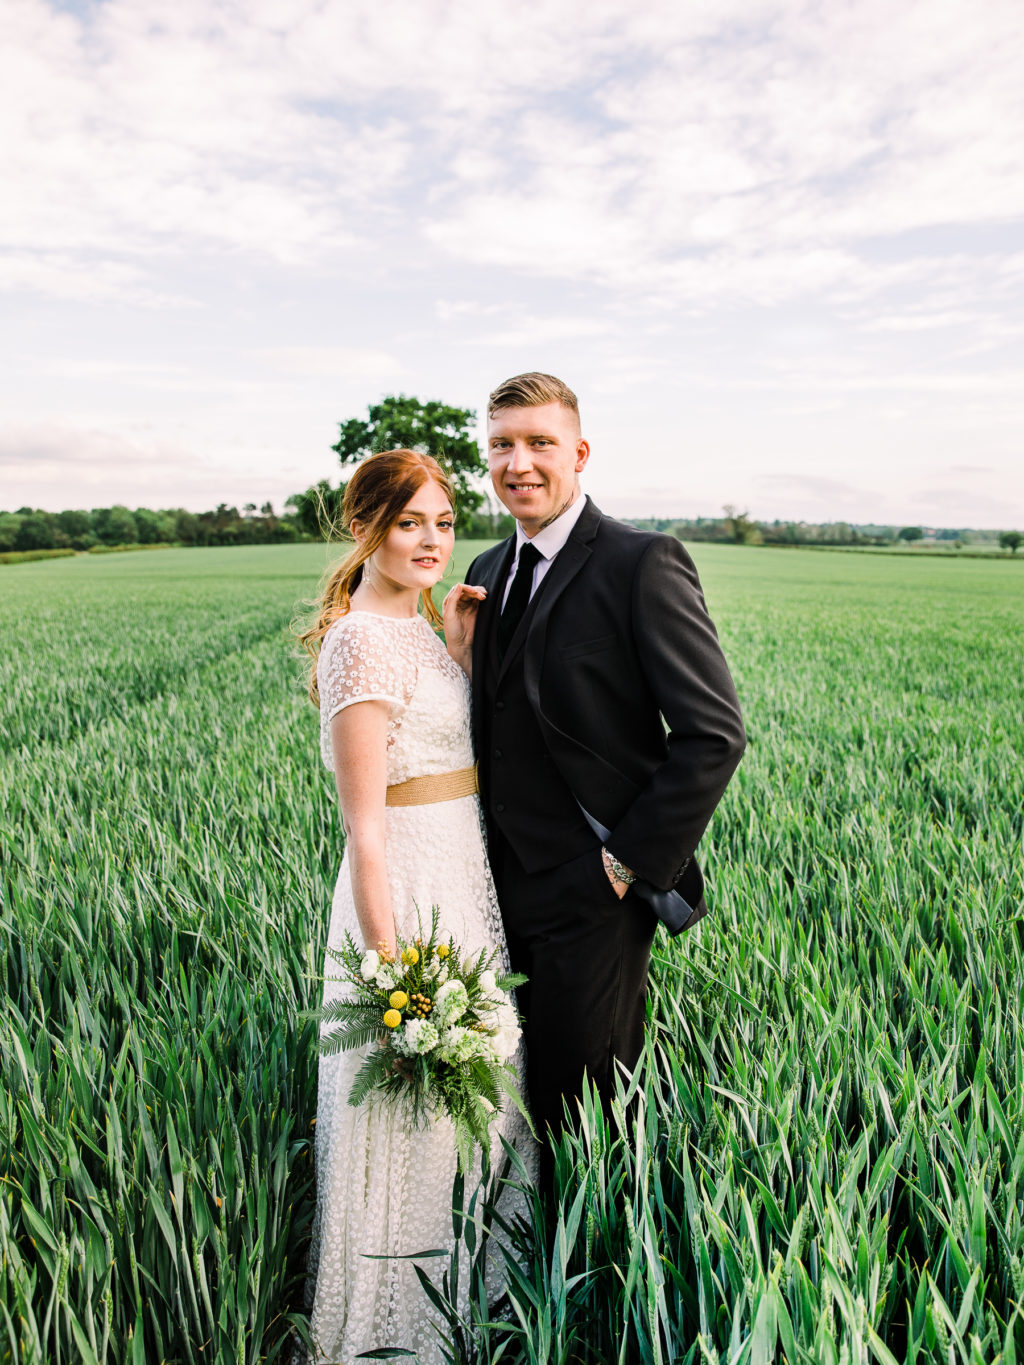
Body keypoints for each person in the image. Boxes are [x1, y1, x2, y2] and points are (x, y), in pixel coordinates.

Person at [443, 372, 746, 1173]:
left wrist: (620, 867)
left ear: (578, 452)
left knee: (586, 1117)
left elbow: (714, 734)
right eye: (502, 445)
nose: (520, 462)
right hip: (495, 887)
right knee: (511, 1103)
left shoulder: (640, 562)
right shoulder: (488, 566)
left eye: (540, 442)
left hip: (592, 889)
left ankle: (597, 1283)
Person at [299, 449, 531, 1364]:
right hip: (410, 894)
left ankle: (471, 1298)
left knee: (474, 1104)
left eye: (443, 520)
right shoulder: (360, 638)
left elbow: (444, 741)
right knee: (417, 1110)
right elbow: (366, 828)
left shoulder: (421, 626)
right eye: (410, 523)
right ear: (366, 530)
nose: (434, 539)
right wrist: (392, 977)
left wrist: (462, 655)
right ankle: (402, 1326)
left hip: (464, 874)